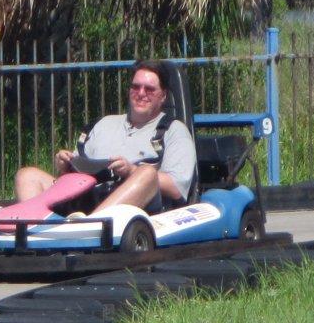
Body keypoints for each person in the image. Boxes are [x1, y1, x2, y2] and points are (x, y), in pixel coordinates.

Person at [12, 61, 197, 216]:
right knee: (26, 175)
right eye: (135, 87)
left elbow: (176, 188)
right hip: (85, 197)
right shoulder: (103, 124)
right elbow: (74, 176)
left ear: (163, 96)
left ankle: (92, 224)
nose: (141, 94)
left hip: (140, 207)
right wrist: (65, 165)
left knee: (147, 173)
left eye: (149, 89)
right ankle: (34, 229)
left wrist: (132, 170)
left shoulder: (174, 130)